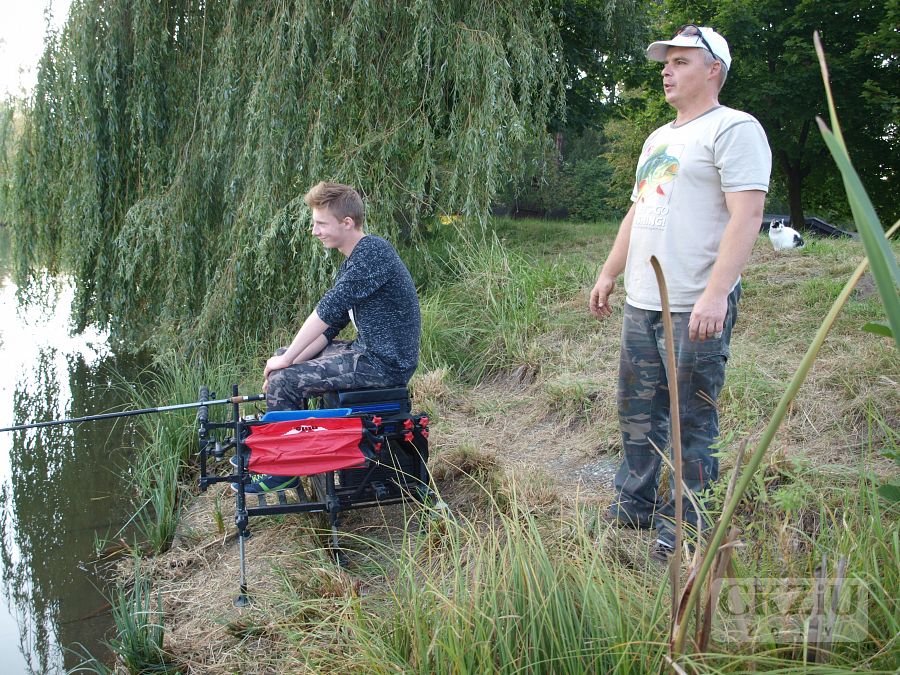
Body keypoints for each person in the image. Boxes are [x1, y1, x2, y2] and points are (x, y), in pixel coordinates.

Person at [589, 26, 771, 560]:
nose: (667, 71)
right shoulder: (657, 138)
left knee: (691, 419)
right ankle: (635, 503)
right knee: (637, 412)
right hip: (642, 301)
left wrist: (717, 294)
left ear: (714, 70)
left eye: (681, 61)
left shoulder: (734, 128)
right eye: (666, 62)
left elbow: (748, 215)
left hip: (694, 302)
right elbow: (638, 210)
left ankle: (690, 525)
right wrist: (609, 272)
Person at [242, 181, 421, 494]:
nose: (314, 231)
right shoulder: (356, 259)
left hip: (384, 365)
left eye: (321, 224)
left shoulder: (373, 253)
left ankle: (284, 470)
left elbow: (327, 310)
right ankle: (295, 444)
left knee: (285, 378)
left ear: (347, 223)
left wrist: (286, 365)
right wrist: (287, 359)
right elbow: (330, 328)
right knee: (285, 363)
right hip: (368, 353)